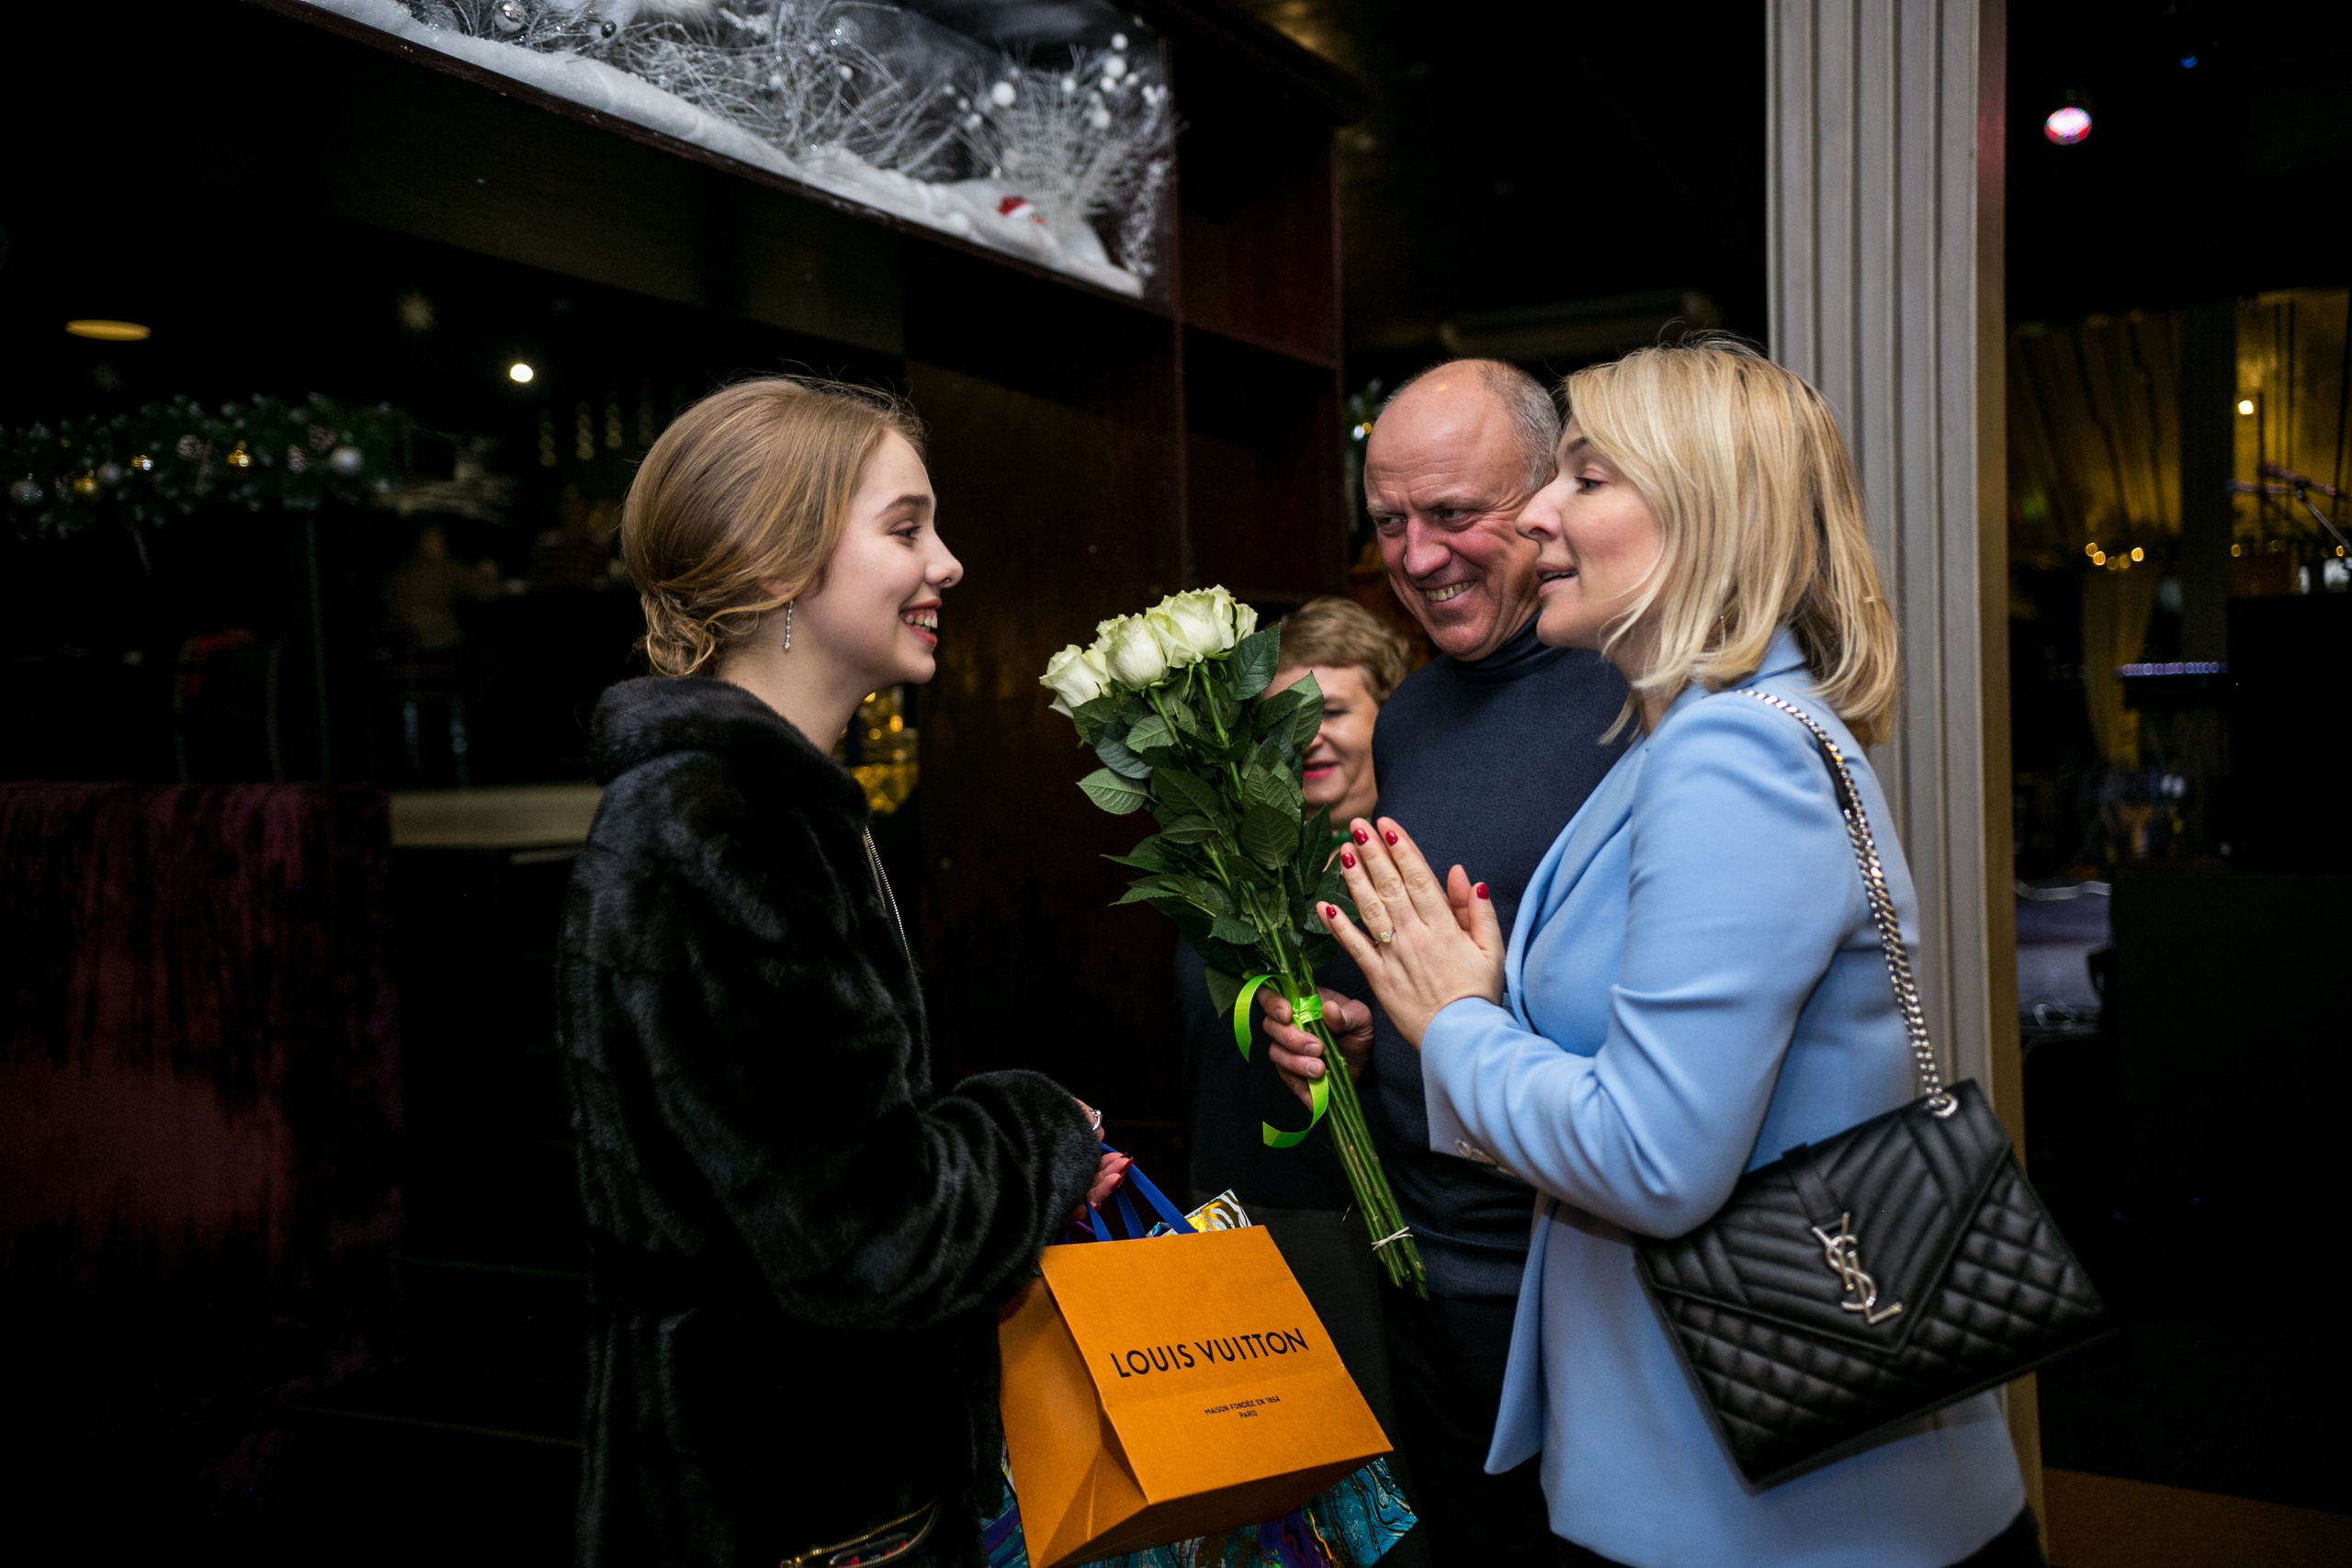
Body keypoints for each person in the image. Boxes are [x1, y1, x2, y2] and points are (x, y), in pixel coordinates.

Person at [1296, 339, 2039, 1566]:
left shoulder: (1725, 752)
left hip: (1767, 1494)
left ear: (1702, 517)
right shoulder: (1694, 734)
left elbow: (1653, 1159)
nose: (1542, 512)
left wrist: (1460, 1022)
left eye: (1585, 479)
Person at [558, 378, 1125, 1568]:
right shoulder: (716, 824)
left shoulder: (776, 806)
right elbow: (865, 1239)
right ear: (776, 563)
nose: (948, 564)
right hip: (795, 1512)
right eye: (906, 528)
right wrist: (1037, 1131)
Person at [1261, 360, 1630, 1568]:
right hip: (1425, 1260)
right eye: (1389, 521)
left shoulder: (1640, 699)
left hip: (1591, 1269)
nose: (1417, 557)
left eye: (1455, 513)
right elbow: (1440, 967)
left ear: (1548, 495)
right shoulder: (1411, 716)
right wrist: (1366, 1036)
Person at [1174, 595, 1413, 1454]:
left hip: (1361, 1230)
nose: (1306, 736)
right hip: (1229, 1225)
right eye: (1284, 717)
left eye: (1333, 711)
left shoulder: (1410, 869)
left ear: (1390, 713)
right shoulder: (1228, 870)